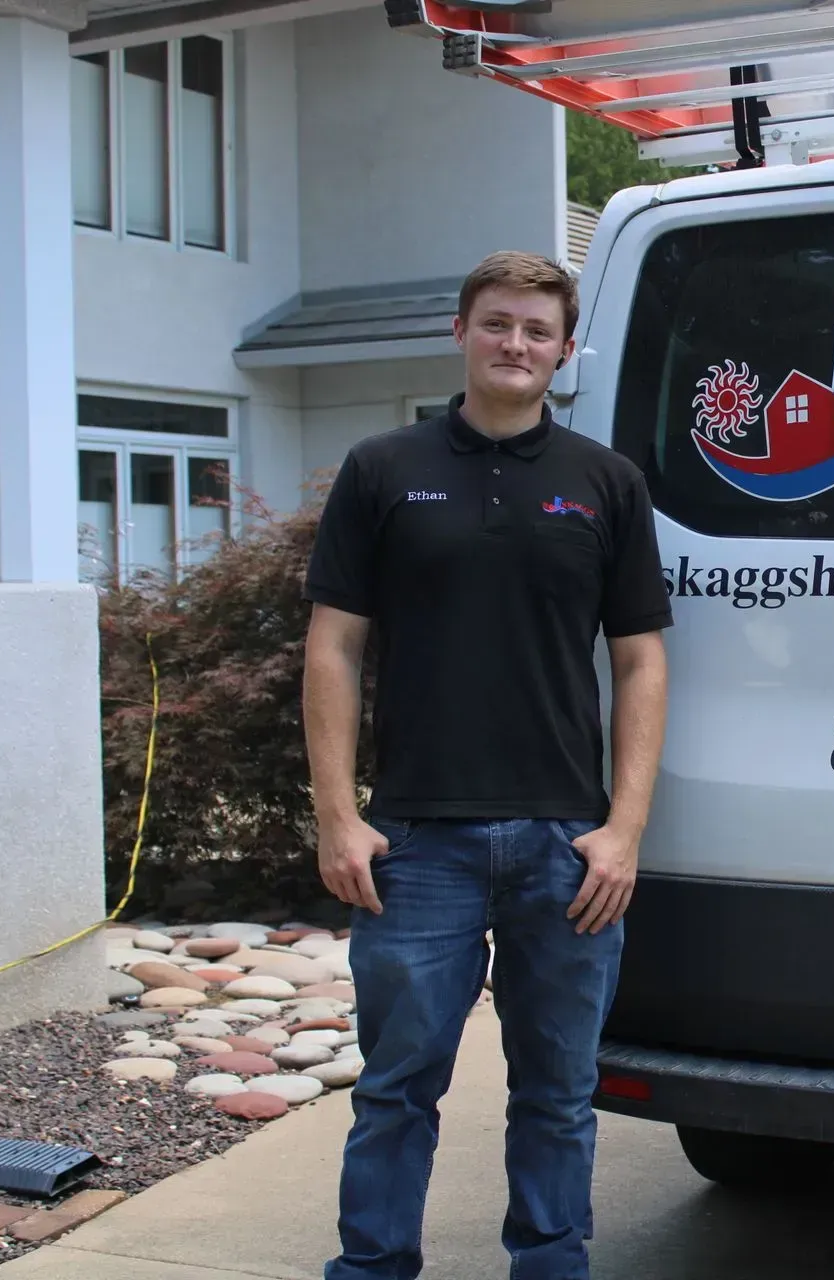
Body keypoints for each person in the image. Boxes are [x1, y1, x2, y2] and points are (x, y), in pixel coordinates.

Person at [300, 249, 672, 1280]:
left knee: (557, 1093)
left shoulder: (606, 483)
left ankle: (549, 1265)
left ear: (563, 350)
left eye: (539, 331)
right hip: (416, 840)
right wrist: (339, 814)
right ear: (461, 331)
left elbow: (640, 661)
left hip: (568, 846)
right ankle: (372, 1268)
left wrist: (624, 826)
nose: (518, 345)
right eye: (499, 323)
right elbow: (332, 647)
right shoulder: (382, 469)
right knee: (396, 1089)